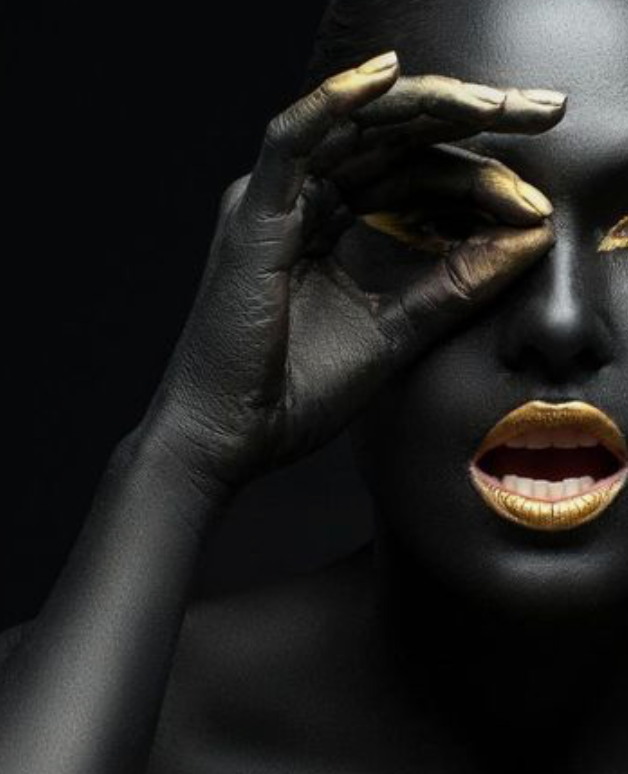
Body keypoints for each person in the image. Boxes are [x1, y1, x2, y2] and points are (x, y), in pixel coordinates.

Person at [1, 0, 627, 771]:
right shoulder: (98, 709)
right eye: (447, 215)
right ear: (322, 249)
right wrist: (183, 447)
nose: (562, 322)